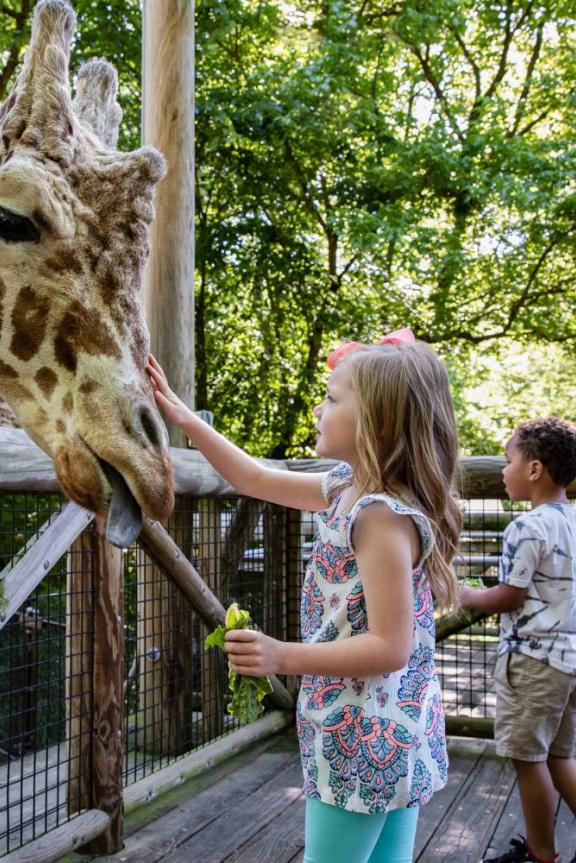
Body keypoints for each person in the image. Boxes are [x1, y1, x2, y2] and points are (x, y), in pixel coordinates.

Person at [147, 328, 461, 863]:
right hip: (391, 726)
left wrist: (280, 655)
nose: (319, 408)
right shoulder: (346, 487)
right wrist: (183, 417)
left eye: (333, 399)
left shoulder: (379, 516)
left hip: (364, 734)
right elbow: (252, 477)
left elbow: (390, 647)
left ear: (377, 422)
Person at [460, 417, 576, 863]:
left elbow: (510, 596)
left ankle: (541, 856)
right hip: (568, 663)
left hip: (532, 661)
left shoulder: (525, 528)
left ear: (534, 470)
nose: (504, 471)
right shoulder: (570, 523)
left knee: (529, 760)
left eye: (509, 461)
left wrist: (463, 593)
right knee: (559, 756)